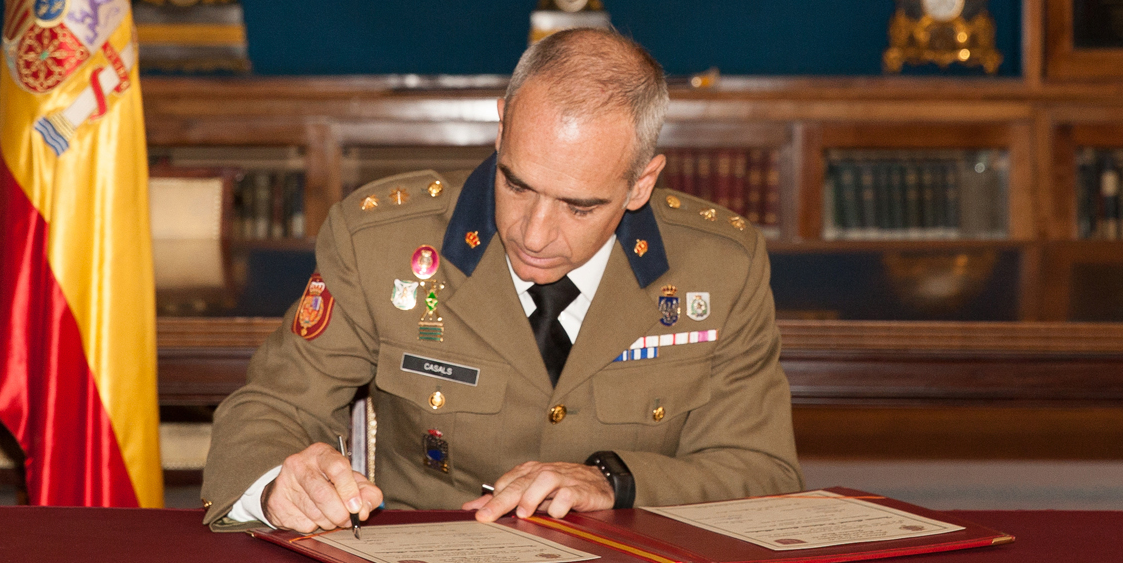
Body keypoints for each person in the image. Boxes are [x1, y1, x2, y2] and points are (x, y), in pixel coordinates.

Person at [201, 29, 801, 533]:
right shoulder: (380, 245)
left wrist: (615, 481)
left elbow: (763, 472)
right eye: (516, 184)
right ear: (501, 129)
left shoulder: (721, 266)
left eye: (579, 207)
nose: (534, 234)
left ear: (641, 183)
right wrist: (278, 484)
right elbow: (271, 408)